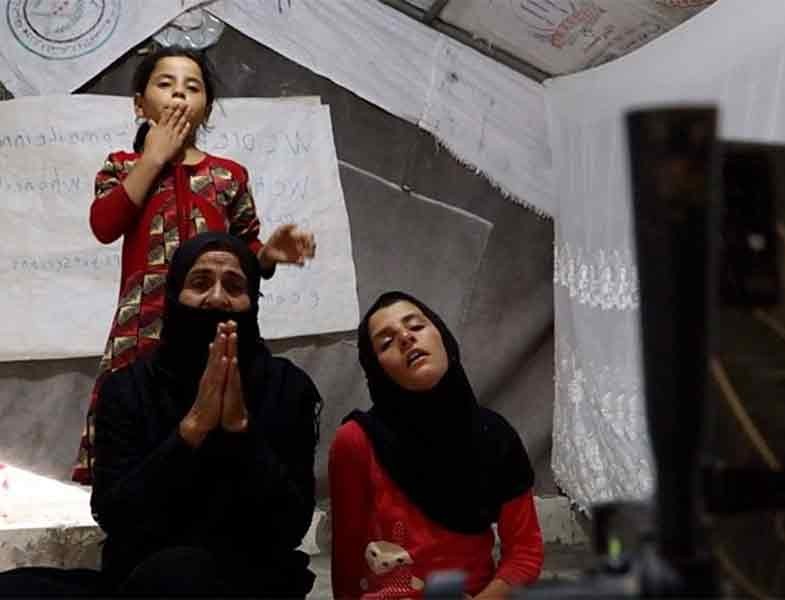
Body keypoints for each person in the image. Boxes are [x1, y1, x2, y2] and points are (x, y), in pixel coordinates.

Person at [72, 45, 316, 484]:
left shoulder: (229, 176)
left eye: (193, 87)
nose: (179, 94)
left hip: (214, 326)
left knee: (213, 437)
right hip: (141, 326)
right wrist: (153, 157)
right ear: (139, 104)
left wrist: (267, 255)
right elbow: (105, 225)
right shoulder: (122, 166)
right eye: (165, 84)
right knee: (135, 435)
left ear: (207, 109)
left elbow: (245, 251)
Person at [89, 232, 322, 596]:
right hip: (146, 577)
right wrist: (191, 430)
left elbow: (291, 525)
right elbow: (115, 516)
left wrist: (241, 433)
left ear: (253, 301)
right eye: (199, 283)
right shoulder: (128, 389)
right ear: (173, 295)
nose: (216, 298)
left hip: (256, 580)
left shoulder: (287, 387)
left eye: (234, 286)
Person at [330, 291, 544, 599]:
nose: (406, 338)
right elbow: (347, 568)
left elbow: (525, 550)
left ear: (443, 337)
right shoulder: (356, 442)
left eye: (416, 326)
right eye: (386, 342)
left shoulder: (495, 435)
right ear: (377, 370)